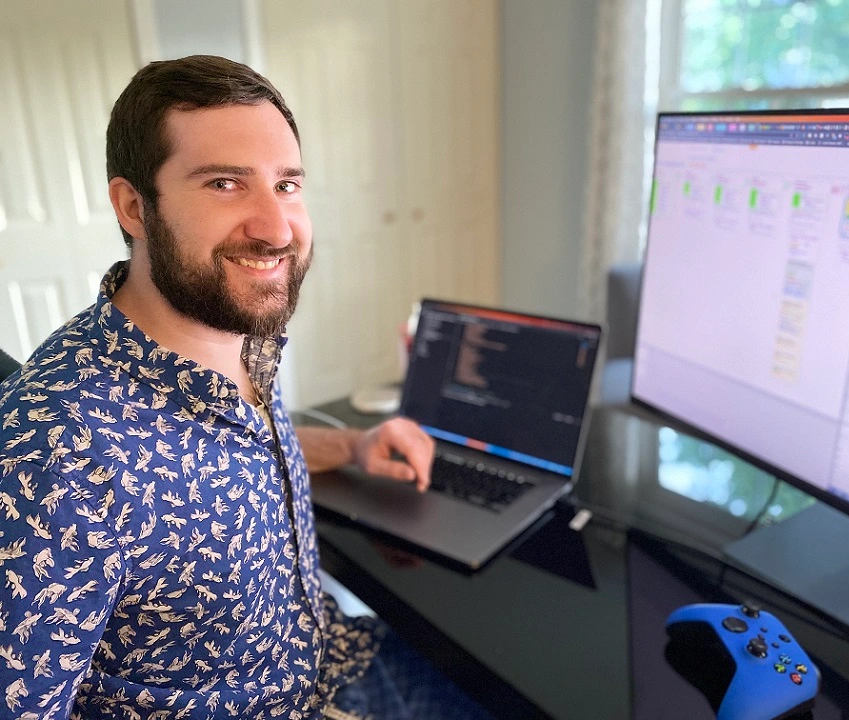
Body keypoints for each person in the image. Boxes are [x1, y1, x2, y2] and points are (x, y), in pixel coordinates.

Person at [0, 56, 491, 720]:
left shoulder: (235, 330)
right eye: (226, 183)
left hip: (332, 661)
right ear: (134, 206)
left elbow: (232, 450)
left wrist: (352, 445)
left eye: (287, 184)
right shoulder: (57, 452)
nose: (276, 227)